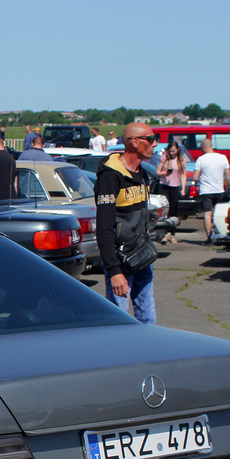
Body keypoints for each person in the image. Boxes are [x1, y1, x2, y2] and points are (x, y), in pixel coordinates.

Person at [95, 123, 157, 324]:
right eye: (150, 139)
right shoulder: (110, 177)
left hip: (141, 258)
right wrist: (114, 271)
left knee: (149, 319)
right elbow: (104, 228)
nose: (154, 144)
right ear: (134, 142)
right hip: (120, 262)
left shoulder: (142, 174)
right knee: (117, 324)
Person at [193, 137, 230, 243]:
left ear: (204, 147)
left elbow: (195, 177)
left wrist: (200, 180)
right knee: (219, 214)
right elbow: (228, 175)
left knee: (207, 214)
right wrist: (229, 186)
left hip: (206, 190)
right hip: (219, 190)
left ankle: (209, 238)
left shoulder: (201, 159)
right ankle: (222, 235)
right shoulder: (223, 157)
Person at [155, 140, 185, 244]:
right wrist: (164, 174)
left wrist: (183, 188)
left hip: (175, 187)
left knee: (173, 211)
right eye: (170, 151)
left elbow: (183, 175)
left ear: (177, 150)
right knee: (164, 212)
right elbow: (157, 172)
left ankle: (172, 234)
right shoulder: (164, 158)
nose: (172, 153)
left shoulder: (181, 160)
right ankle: (163, 234)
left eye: (173, 151)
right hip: (164, 186)